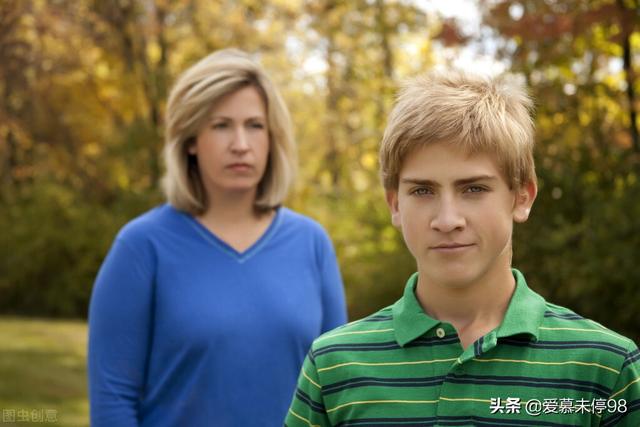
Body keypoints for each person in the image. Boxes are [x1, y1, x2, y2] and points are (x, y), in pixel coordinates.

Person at [285, 71, 640, 426]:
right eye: (422, 191)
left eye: (474, 189)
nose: (447, 220)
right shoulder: (333, 366)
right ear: (395, 204)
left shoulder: (605, 368)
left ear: (522, 197)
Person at [88, 48, 347, 427]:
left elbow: (338, 388)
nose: (240, 143)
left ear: (272, 138)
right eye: (221, 125)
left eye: (255, 125)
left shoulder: (312, 243)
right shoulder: (141, 247)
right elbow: (113, 398)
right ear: (190, 139)